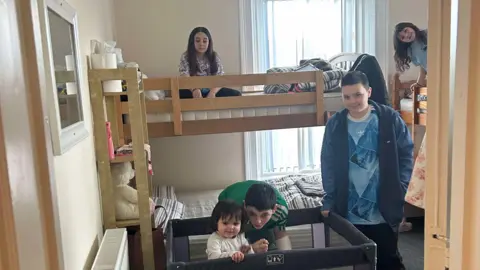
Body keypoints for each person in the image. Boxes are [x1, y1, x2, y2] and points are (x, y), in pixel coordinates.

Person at [321, 71, 414, 270]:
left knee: (389, 260)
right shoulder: (335, 124)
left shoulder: (389, 119)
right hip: (350, 209)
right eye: (346, 97)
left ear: (369, 92)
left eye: (357, 95)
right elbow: (327, 161)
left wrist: (402, 186)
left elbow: (406, 153)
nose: (352, 101)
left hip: (383, 209)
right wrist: (330, 197)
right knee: (358, 261)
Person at [218, 180, 292, 253]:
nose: (258, 221)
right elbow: (227, 244)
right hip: (232, 196)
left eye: (264, 215)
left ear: (274, 209)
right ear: (244, 205)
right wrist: (251, 248)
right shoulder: (233, 208)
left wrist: (287, 261)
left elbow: (280, 233)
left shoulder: (281, 210)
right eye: (252, 213)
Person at [178, 27, 242, 99]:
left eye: (205, 41)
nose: (201, 44)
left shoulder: (214, 56)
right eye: (198, 41)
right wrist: (194, 89)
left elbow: (220, 77)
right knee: (178, 94)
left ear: (209, 42)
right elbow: (184, 76)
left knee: (237, 94)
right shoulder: (186, 56)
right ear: (192, 42)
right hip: (192, 89)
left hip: (211, 89)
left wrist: (213, 92)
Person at [393, 22, 428, 98]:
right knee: (420, 101)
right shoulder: (411, 51)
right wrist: (419, 84)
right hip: (434, 77)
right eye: (403, 37)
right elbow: (423, 67)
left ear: (409, 26)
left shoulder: (428, 33)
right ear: (403, 42)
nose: (406, 35)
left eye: (405, 30)